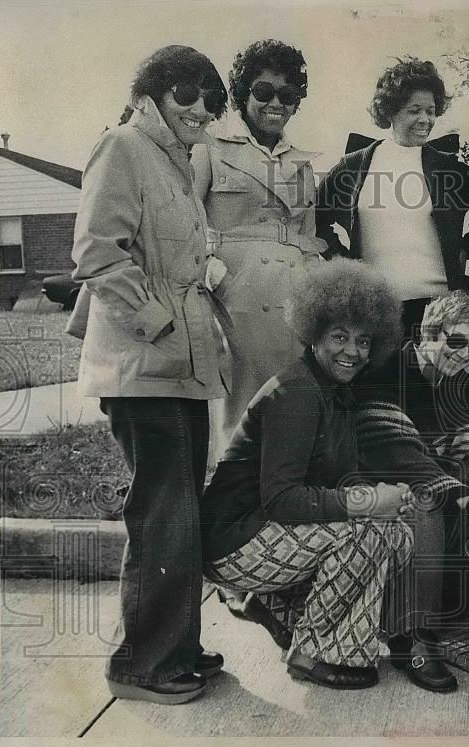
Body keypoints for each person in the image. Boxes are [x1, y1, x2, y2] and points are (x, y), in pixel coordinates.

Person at [70, 45, 230, 705]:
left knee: (181, 512)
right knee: (164, 513)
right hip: (142, 365)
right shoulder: (123, 146)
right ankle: (142, 664)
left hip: (181, 367)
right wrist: (158, 323)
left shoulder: (175, 162)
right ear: (154, 93)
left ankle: (176, 645)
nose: (199, 110)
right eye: (185, 94)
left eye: (209, 101)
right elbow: (96, 253)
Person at [200, 260, 415, 690]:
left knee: (394, 530)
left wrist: (387, 496)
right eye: (339, 336)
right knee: (369, 534)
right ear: (313, 334)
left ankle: (285, 613)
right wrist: (369, 502)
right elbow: (281, 498)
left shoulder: (336, 391)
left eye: (363, 341)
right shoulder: (296, 393)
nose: (352, 351)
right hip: (232, 540)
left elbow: (338, 481)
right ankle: (312, 651)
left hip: (265, 530)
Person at [355, 290, 469, 692]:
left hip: (421, 470)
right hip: (362, 473)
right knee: (427, 503)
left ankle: (454, 612)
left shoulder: (462, 383)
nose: (464, 354)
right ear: (428, 333)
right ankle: (411, 637)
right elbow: (393, 449)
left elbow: (464, 450)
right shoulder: (385, 368)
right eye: (456, 341)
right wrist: (457, 487)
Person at [191, 39, 327, 460]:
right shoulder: (208, 148)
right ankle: (233, 512)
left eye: (288, 96)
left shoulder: (302, 163)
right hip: (236, 301)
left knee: (293, 413)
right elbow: (186, 223)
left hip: (294, 304)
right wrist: (216, 277)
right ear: (242, 93)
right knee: (240, 418)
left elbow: (309, 237)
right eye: (264, 92)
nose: (276, 104)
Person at [315, 58, 469, 342]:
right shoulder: (354, 165)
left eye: (431, 111)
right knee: (380, 387)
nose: (425, 119)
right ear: (390, 112)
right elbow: (316, 219)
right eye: (414, 110)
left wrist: (466, 247)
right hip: (375, 311)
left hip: (440, 312)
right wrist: (345, 263)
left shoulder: (446, 167)